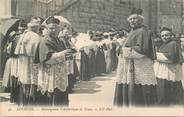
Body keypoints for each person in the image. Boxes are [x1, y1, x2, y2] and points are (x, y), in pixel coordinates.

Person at [114, 8, 157, 106]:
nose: (132, 21)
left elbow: (142, 50)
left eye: (135, 19)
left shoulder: (143, 31)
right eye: (130, 19)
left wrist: (122, 50)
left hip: (138, 66)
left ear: (141, 20)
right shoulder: (133, 31)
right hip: (130, 64)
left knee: (138, 93)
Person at [37, 17, 73, 105]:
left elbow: (65, 55)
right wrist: (64, 53)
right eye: (51, 28)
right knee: (52, 99)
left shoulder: (60, 40)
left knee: (61, 98)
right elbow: (48, 59)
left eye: (56, 28)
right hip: (50, 75)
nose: (54, 30)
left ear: (59, 29)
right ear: (47, 29)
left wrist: (69, 54)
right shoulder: (45, 41)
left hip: (61, 75)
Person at [6, 17, 41, 106]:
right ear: (35, 27)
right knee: (31, 80)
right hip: (32, 62)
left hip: (22, 62)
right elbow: (38, 52)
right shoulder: (35, 36)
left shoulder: (22, 36)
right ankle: (30, 102)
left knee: (23, 80)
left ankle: (21, 102)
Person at [154, 27, 183, 105]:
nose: (164, 37)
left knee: (166, 86)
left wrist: (157, 57)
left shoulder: (173, 43)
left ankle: (166, 103)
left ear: (171, 35)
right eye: (162, 36)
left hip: (169, 68)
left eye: (166, 35)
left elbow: (171, 58)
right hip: (163, 67)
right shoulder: (164, 44)